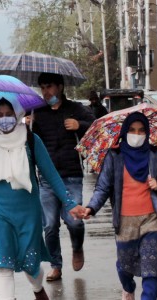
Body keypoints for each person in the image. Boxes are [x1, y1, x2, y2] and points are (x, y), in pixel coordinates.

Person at [0, 97, 85, 300]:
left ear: (18, 115)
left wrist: (69, 203)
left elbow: (51, 174)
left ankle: (38, 289)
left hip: (28, 211)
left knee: (30, 264)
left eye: (8, 115)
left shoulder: (31, 140)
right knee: (4, 264)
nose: (4, 119)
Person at [83, 112, 157, 300]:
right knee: (125, 267)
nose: (137, 134)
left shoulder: (156, 154)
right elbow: (102, 187)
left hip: (152, 220)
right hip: (124, 222)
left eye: (141, 130)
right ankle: (128, 286)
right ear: (124, 131)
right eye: (132, 130)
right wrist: (91, 208)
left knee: (152, 268)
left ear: (147, 132)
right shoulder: (114, 155)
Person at [31, 72, 96, 281]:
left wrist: (79, 125)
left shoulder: (76, 109)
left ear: (60, 87)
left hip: (71, 176)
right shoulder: (38, 112)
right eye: (42, 87)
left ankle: (77, 247)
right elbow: (31, 143)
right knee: (49, 225)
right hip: (47, 179)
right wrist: (27, 126)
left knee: (75, 221)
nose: (45, 91)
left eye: (49, 86)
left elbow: (96, 127)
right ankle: (56, 265)